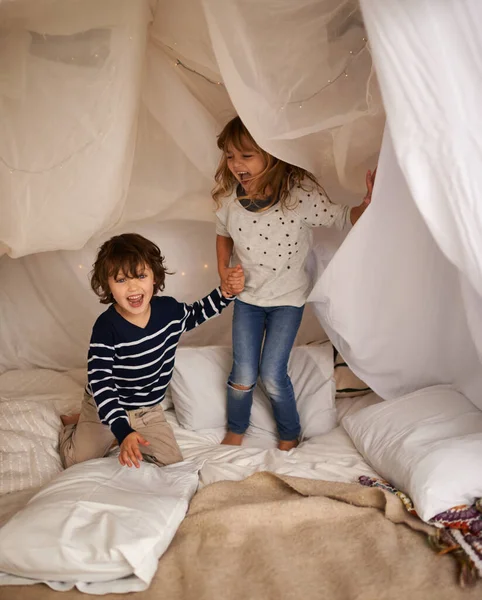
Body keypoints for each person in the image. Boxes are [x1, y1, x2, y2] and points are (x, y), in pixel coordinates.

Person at [213, 116, 376, 451]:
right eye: (230, 156)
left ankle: (289, 434)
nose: (236, 165)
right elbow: (222, 235)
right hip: (247, 300)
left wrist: (366, 205)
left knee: (272, 374)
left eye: (246, 156)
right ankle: (236, 429)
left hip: (288, 301)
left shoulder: (298, 194)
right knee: (243, 375)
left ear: (270, 155)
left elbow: (340, 217)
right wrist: (223, 272)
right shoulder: (229, 198)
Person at [59, 233, 242, 469]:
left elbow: (197, 313)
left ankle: (113, 430)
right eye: (121, 280)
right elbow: (101, 383)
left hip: (147, 410)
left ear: (154, 278)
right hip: (105, 407)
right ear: (108, 285)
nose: (133, 287)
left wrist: (225, 292)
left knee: (172, 463)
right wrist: (123, 431)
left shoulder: (169, 312)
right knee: (75, 461)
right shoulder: (106, 328)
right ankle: (80, 423)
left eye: (141, 276)